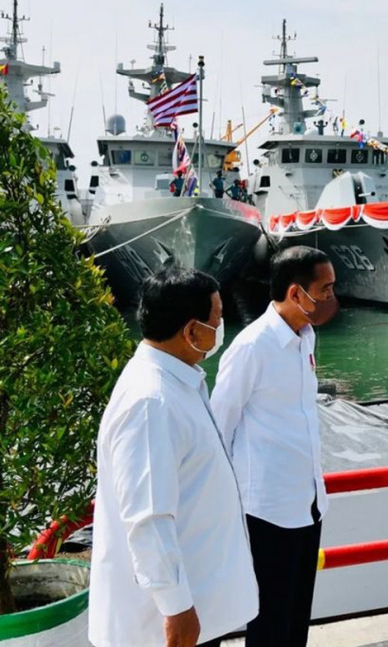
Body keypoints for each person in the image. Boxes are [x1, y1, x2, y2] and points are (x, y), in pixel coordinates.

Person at [89, 268, 258, 647]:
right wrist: (176, 607)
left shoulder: (178, 380)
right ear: (192, 331)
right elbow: (148, 517)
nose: (220, 328)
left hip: (197, 602)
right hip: (166, 622)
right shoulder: (151, 402)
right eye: (216, 320)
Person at [210, 246, 338, 647]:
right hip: (267, 510)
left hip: (308, 503)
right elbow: (220, 426)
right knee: (269, 621)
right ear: (297, 293)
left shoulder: (305, 336)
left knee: (297, 616)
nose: (332, 297)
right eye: (326, 288)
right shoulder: (252, 347)